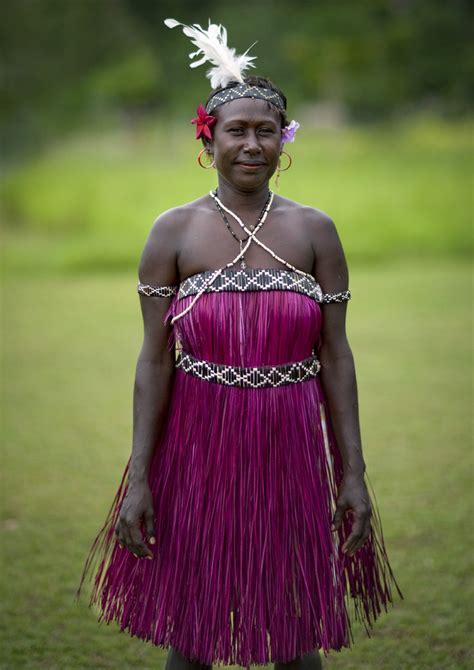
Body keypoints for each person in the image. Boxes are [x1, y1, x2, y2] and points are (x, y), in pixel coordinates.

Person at [76, 19, 401, 670]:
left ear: (285, 140)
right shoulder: (172, 233)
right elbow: (153, 359)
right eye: (237, 130)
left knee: (293, 625)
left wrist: (353, 472)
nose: (252, 143)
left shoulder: (316, 232)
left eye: (266, 130)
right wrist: (139, 477)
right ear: (209, 137)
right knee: (192, 631)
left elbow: (336, 356)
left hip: (290, 445)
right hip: (197, 447)